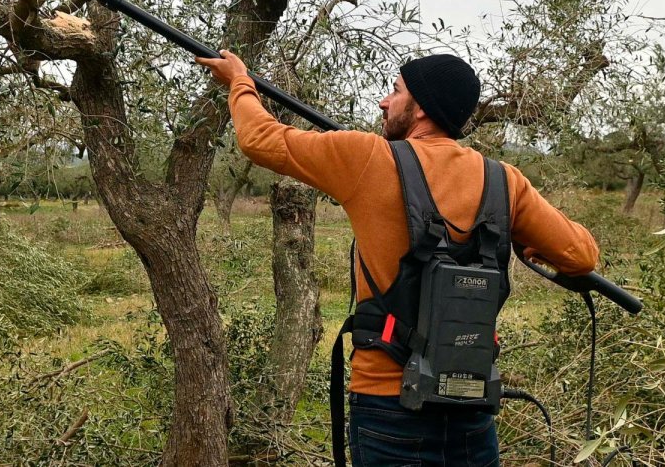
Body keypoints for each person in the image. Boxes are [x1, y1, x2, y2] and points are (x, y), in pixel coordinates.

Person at [196, 49, 599, 467]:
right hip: (470, 408)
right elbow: (581, 255)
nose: (384, 101)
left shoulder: (368, 158)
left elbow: (259, 139)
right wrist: (526, 241)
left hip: (388, 407)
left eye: (396, 90)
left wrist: (239, 80)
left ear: (421, 107)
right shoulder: (504, 181)